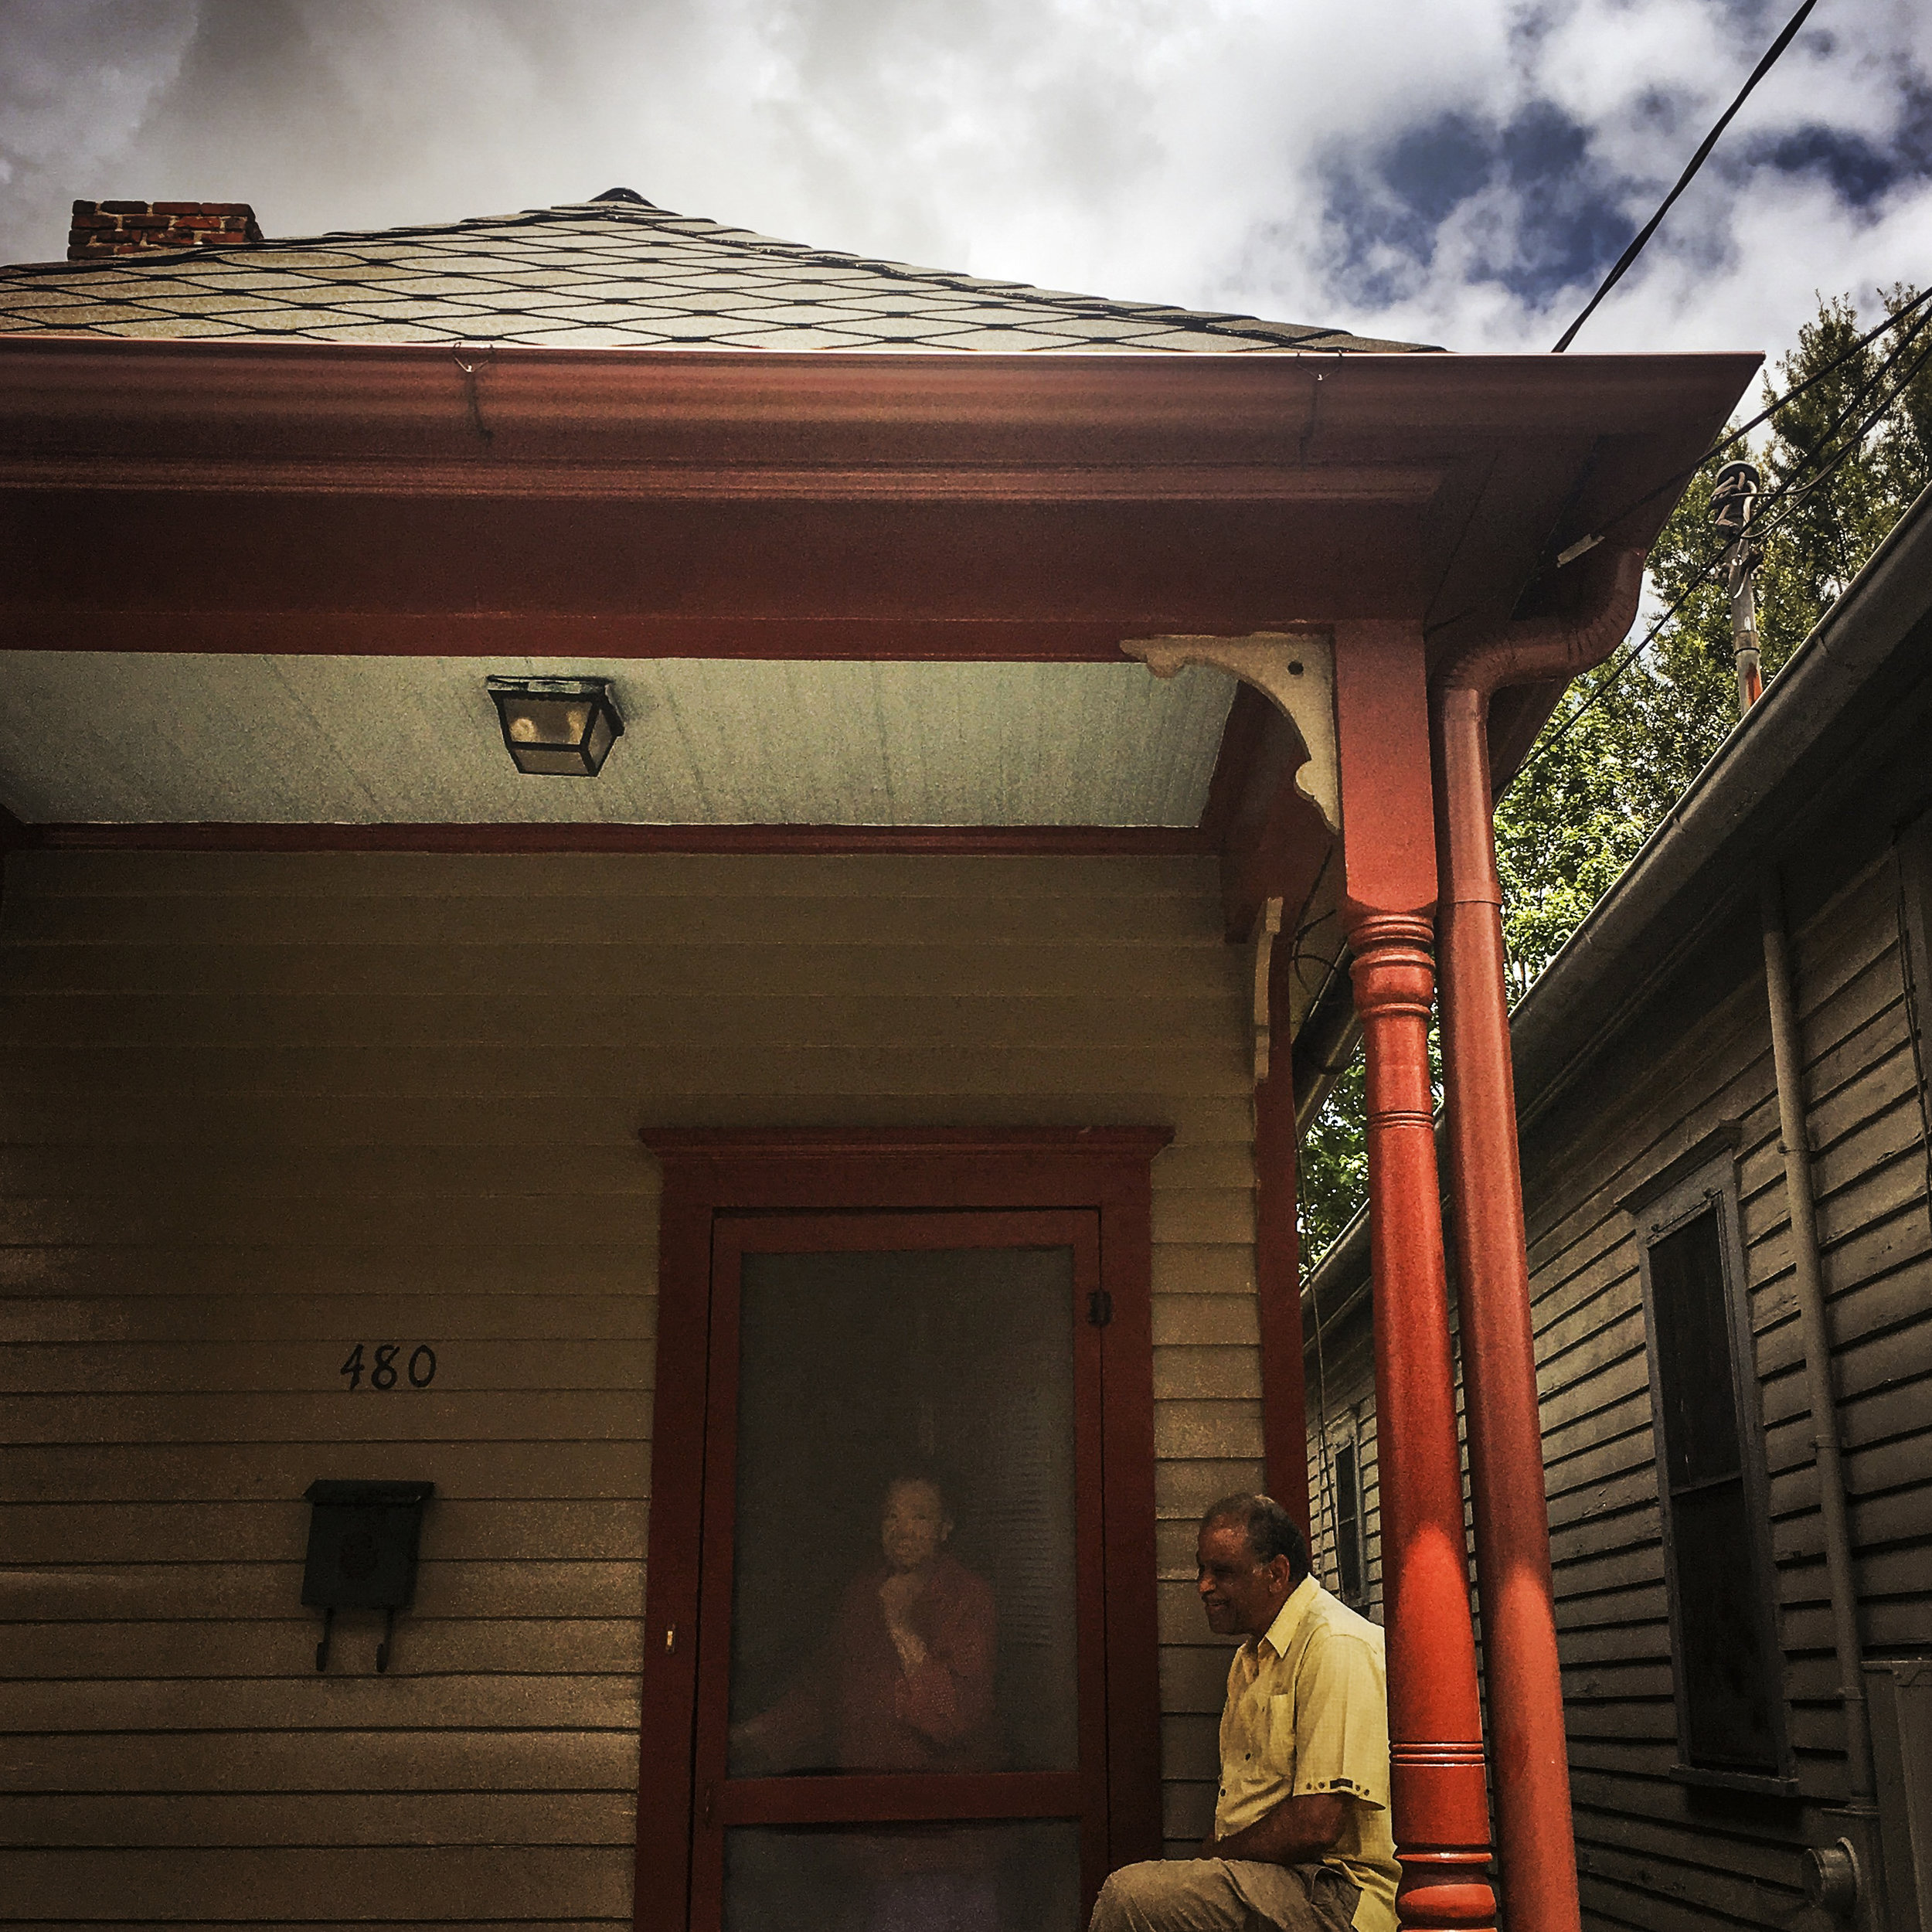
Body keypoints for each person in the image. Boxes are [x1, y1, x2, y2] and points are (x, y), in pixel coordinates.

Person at [1088, 1493, 1400, 1932]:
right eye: (1201, 1569)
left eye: (1223, 1572)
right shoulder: (1249, 1659)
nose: (1204, 1586)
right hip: (1272, 1878)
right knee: (1159, 1894)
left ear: (1277, 1573)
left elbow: (1318, 1823)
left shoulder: (1335, 1644)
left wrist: (1215, 1857)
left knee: (1130, 1898)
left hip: (1338, 1891)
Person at [731, 1466, 998, 1774]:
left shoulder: (969, 1598)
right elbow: (827, 1688)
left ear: (945, 1527)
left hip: (937, 1794)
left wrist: (901, 1627)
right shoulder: (864, 1593)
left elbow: (954, 1720)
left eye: (919, 1517)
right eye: (892, 1517)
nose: (902, 1531)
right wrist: (754, 1734)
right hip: (862, 1787)